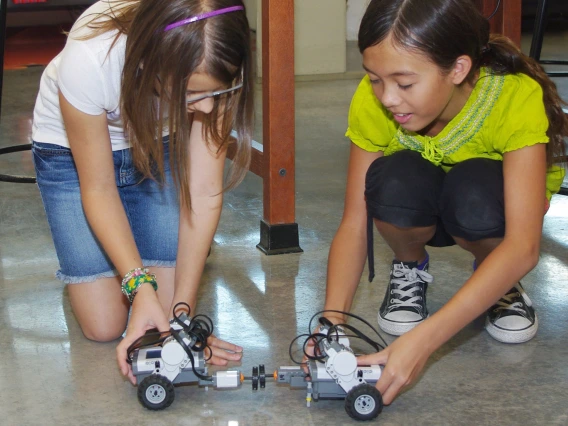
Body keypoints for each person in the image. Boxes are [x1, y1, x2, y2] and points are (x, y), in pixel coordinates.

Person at [321, 0, 567, 405]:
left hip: (486, 209)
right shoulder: (376, 100)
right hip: (425, 202)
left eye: (404, 83)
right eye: (375, 79)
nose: (387, 98)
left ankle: (497, 279)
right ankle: (409, 266)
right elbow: (353, 222)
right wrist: (331, 323)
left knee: (476, 192)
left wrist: (423, 341)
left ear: (458, 69)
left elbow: (524, 246)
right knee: (392, 180)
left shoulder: (513, 97)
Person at [31, 0, 253, 383]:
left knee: (164, 315)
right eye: (191, 94)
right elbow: (98, 188)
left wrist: (182, 318)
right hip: (69, 155)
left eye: (215, 93)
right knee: (104, 326)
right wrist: (138, 284)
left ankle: (140, 264)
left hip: (156, 145)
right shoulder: (91, 56)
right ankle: (101, 268)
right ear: (150, 60)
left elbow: (203, 190)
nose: (207, 106)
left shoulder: (217, 58)